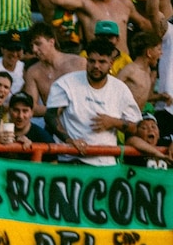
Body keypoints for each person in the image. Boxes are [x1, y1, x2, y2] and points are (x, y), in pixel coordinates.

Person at [46, 38, 143, 166]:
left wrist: (113, 122)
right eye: (92, 61)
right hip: (69, 160)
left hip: (104, 163)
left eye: (102, 62)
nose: (96, 66)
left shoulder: (120, 90)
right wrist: (69, 140)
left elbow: (136, 127)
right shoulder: (66, 83)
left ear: (111, 63)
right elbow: (50, 115)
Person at [22, 22, 86, 117]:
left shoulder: (78, 63)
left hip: (82, 119)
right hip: (53, 123)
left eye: (38, 44)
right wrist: (57, 110)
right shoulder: (33, 72)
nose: (34, 49)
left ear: (51, 42)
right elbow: (31, 108)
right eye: (32, 46)